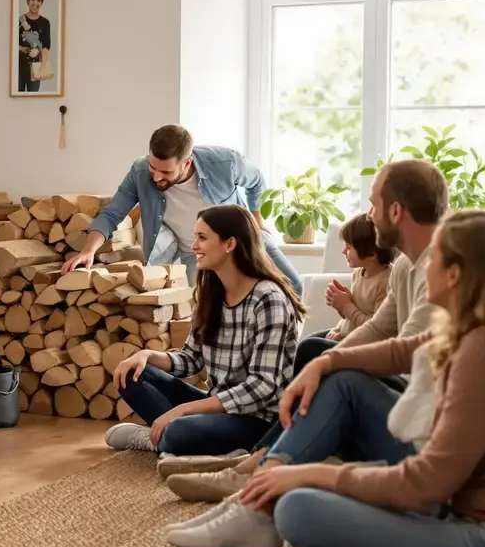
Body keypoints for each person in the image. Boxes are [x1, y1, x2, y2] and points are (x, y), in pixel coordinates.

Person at [165, 210, 485, 547]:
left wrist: (312, 475)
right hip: (469, 512)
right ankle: (258, 498)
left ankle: (264, 496)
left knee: (299, 509)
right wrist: (322, 364)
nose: (423, 267)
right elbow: (400, 350)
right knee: (344, 382)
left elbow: (427, 483)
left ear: (456, 274)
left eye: (434, 259)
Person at [164, 159, 446, 498]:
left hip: (429, 409)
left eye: (373, 205)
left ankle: (257, 465)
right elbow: (378, 329)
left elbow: (408, 352)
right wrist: (321, 362)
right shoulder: (405, 265)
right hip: (404, 394)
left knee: (340, 377)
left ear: (397, 211)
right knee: (314, 351)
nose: (369, 215)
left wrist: (328, 364)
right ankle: (257, 461)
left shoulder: (441, 267)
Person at [104, 205, 305, 463]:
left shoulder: (268, 299)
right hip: (218, 408)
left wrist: (183, 410)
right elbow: (190, 360)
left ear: (230, 243)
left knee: (179, 429)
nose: (194, 246)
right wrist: (146, 355)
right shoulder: (212, 294)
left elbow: (262, 387)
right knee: (130, 374)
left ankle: (165, 440)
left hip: (258, 420)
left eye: (202, 237)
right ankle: (173, 442)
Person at [61, 124, 303, 295]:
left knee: (293, 286)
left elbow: (257, 182)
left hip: (246, 241)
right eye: (153, 167)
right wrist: (87, 250)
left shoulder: (225, 162)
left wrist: (257, 220)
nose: (156, 176)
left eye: (165, 172)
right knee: (208, 317)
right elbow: (112, 214)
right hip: (197, 256)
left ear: (187, 162)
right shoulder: (140, 171)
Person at [321, 213, 395, 343]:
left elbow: (376, 330)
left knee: (307, 347)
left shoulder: (386, 282)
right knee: (307, 342)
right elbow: (354, 315)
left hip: (365, 348)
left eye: (349, 247)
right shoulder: (358, 273)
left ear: (372, 253)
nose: (344, 251)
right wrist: (339, 323)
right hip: (350, 336)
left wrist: (346, 305)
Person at [16, 0, 51, 93]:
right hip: (18, 68)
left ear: (42, 2)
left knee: (33, 101)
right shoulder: (19, 21)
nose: (35, 3)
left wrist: (43, 65)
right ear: (28, 1)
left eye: (39, 0)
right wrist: (24, 49)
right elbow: (12, 45)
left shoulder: (45, 23)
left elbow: (46, 46)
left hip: (35, 68)